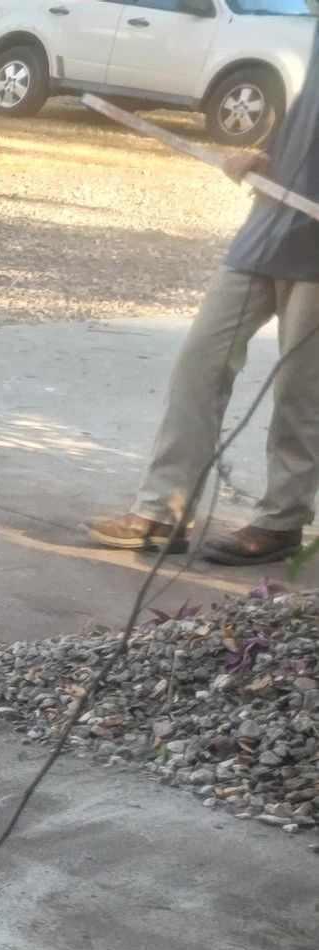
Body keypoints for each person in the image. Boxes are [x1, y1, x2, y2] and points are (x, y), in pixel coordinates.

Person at [88, 42, 319, 566]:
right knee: (200, 363)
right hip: (269, 224)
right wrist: (264, 152)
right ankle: (162, 512)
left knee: (301, 389)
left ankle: (282, 521)